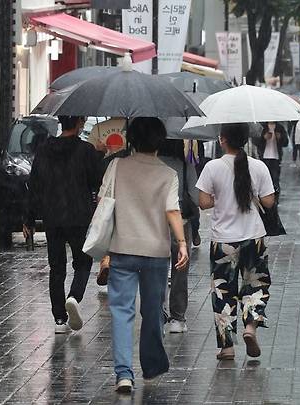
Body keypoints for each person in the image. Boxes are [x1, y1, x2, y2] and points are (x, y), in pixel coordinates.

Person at [104, 117, 189, 393]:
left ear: (132, 139)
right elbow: (172, 211)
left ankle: (123, 374)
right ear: (159, 141)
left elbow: (103, 203)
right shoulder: (167, 174)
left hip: (122, 248)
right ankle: (151, 365)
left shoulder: (117, 166)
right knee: (153, 310)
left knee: (121, 311)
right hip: (155, 252)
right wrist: (182, 243)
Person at [196, 123, 275, 360]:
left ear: (222, 140)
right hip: (254, 237)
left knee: (223, 291)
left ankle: (227, 347)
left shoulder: (212, 167)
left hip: (223, 241)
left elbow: (203, 202)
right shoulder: (258, 166)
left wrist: (220, 197)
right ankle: (250, 327)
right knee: (256, 285)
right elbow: (269, 202)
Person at [25, 115, 103, 334]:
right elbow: (97, 181)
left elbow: (35, 185)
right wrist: (100, 155)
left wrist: (29, 219)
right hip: (78, 216)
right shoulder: (86, 150)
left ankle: (59, 318)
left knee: (57, 267)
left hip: (52, 216)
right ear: (79, 122)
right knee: (83, 262)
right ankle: (74, 298)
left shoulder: (44, 149)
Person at [158, 139, 198, 334]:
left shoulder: (152, 163)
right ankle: (177, 318)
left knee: (157, 266)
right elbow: (196, 197)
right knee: (180, 269)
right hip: (179, 220)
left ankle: (158, 311)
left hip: (154, 220)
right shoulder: (185, 164)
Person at [255, 122, 289, 196]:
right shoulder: (262, 127)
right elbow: (255, 141)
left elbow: (286, 143)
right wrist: (263, 137)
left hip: (276, 158)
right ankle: (264, 197)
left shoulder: (280, 127)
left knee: (275, 179)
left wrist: (280, 138)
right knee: (264, 179)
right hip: (264, 158)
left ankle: (275, 198)